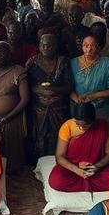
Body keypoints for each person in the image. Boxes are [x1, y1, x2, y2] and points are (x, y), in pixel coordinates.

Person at [49, 102, 109, 193]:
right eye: (78, 124)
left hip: (95, 168)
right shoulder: (67, 127)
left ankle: (86, 182)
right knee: (56, 181)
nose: (81, 128)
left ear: (93, 121)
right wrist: (77, 170)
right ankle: (87, 183)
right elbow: (59, 157)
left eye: (85, 125)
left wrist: (96, 166)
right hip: (72, 168)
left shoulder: (102, 125)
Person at [0, 41, 29, 172]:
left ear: (9, 55)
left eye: (0, 53)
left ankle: (13, 173)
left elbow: (25, 99)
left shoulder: (18, 71)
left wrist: (7, 118)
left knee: (13, 153)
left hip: (12, 118)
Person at [26, 31, 72, 159]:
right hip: (38, 107)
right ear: (39, 46)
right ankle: (39, 161)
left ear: (56, 46)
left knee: (58, 135)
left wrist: (54, 90)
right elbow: (25, 86)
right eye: (43, 45)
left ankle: (57, 159)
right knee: (39, 135)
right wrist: (39, 90)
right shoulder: (32, 62)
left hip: (59, 107)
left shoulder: (63, 62)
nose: (46, 49)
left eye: (49, 46)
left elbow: (69, 86)